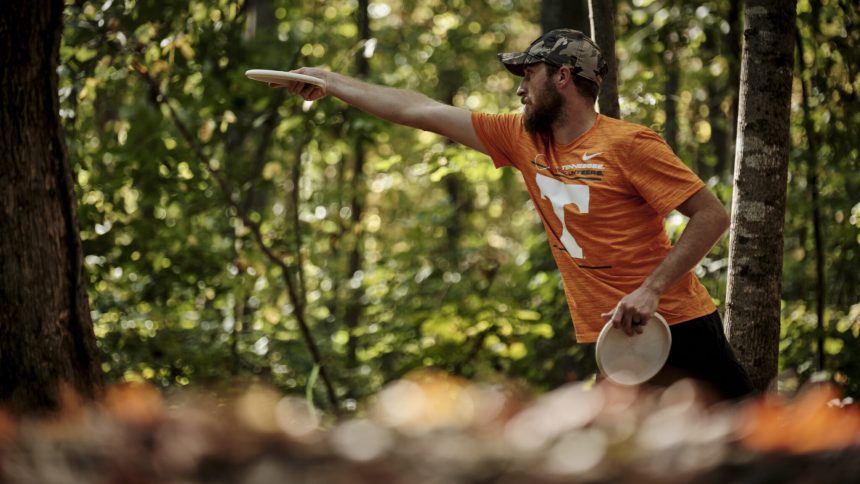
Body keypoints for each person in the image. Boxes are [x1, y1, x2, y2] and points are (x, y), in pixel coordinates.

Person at [278, 28, 753, 400]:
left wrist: (649, 291)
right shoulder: (521, 138)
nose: (521, 88)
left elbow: (711, 215)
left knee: (748, 447)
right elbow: (417, 109)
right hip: (621, 339)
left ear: (562, 76)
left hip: (676, 325)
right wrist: (331, 81)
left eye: (529, 75)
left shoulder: (629, 144)